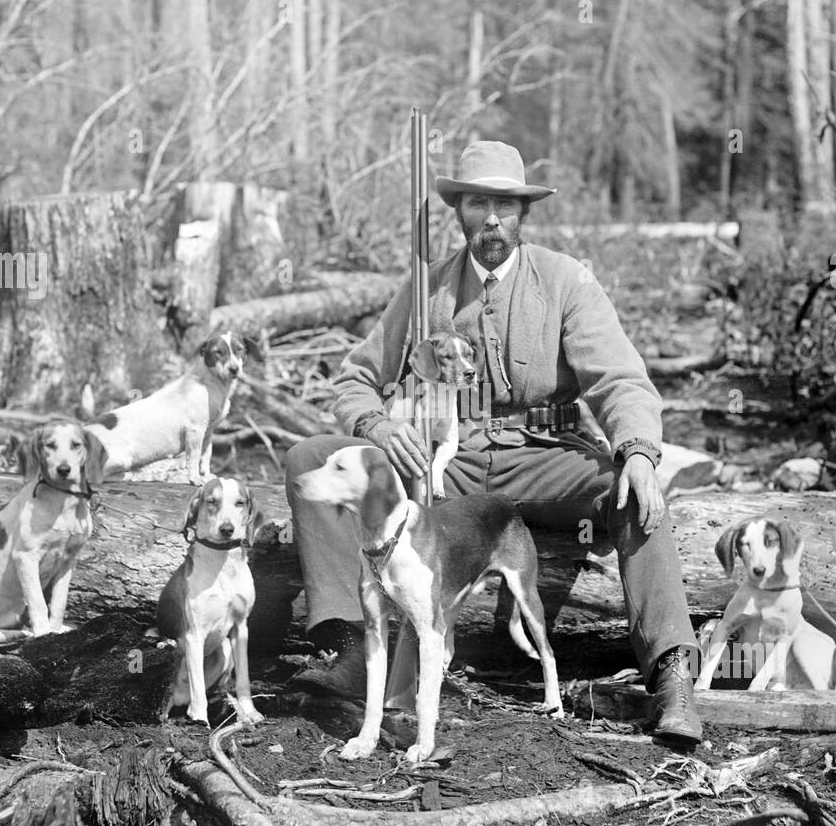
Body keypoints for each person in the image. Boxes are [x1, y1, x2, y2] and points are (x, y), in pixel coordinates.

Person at [283, 140, 701, 744]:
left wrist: (637, 449)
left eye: (506, 204)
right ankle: (353, 647)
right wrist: (380, 427)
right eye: (479, 203)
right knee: (309, 457)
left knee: (633, 489)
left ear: (524, 212)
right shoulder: (426, 289)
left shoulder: (565, 282)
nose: (493, 218)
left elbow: (620, 381)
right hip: (442, 463)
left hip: (543, 456)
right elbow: (355, 378)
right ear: (460, 212)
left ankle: (670, 674)